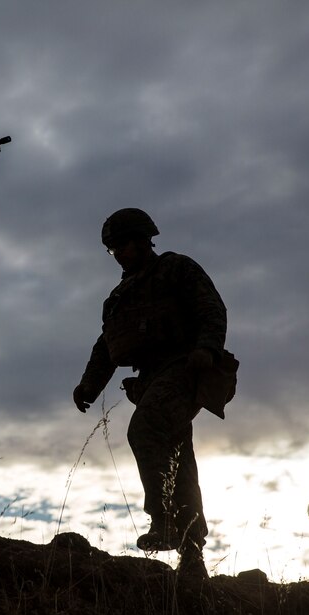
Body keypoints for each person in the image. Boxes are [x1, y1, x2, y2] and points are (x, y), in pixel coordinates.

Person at [73, 208, 237, 579]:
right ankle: (193, 554)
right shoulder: (118, 296)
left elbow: (211, 308)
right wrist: (89, 385)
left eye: (127, 243)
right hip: (150, 377)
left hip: (185, 367)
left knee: (145, 429)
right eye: (114, 248)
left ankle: (163, 521)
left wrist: (207, 348)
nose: (122, 252)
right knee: (179, 460)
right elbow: (107, 345)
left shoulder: (176, 268)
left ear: (146, 240)